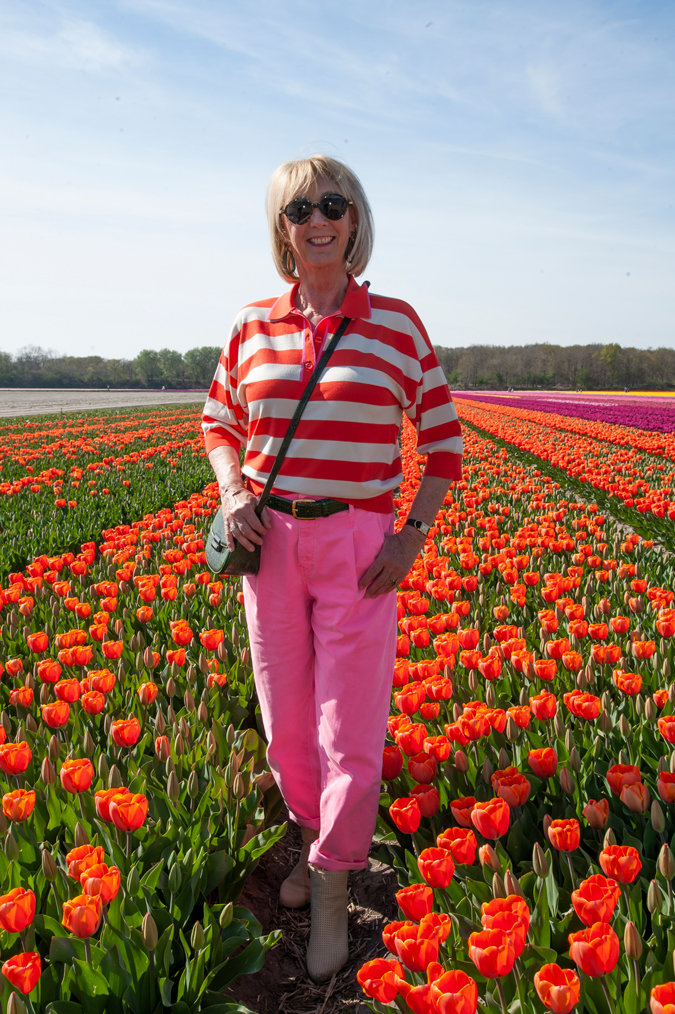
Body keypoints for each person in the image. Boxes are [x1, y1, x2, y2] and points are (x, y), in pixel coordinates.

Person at [202, 155, 462, 983]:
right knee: (283, 724)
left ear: (354, 219)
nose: (316, 218)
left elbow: (444, 444)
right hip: (270, 544)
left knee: (347, 724)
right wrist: (233, 490)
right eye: (298, 208)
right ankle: (312, 835)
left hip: (358, 547)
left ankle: (328, 883)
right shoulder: (252, 325)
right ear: (281, 228)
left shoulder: (394, 323)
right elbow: (218, 421)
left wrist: (408, 538)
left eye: (332, 204)